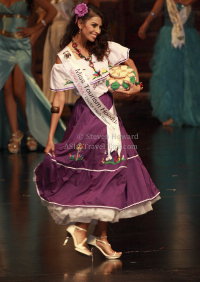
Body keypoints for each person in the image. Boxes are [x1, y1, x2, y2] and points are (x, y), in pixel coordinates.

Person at [34, 3, 160, 259]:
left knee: (109, 172)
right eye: (94, 25)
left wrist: (134, 85)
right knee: (101, 173)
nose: (98, 30)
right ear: (79, 24)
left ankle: (98, 236)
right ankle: (84, 230)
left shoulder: (105, 48)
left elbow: (129, 62)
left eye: (100, 26)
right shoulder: (65, 58)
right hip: (86, 120)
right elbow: (58, 100)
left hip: (109, 116)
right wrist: (49, 136)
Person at [0, 0, 66, 153]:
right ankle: (15, 134)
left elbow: (52, 12)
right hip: (2, 44)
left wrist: (35, 28)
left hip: (20, 45)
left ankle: (31, 130)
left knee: (19, 91)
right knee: (7, 89)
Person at [138, 0, 200, 127]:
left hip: (187, 35)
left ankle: (188, 112)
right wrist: (147, 22)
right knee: (169, 76)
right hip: (169, 37)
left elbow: (186, 2)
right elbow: (158, 7)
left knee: (188, 76)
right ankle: (172, 114)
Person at [41, 0, 79, 106]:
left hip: (69, 30)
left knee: (70, 66)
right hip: (53, 31)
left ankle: (72, 98)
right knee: (54, 66)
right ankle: (53, 97)